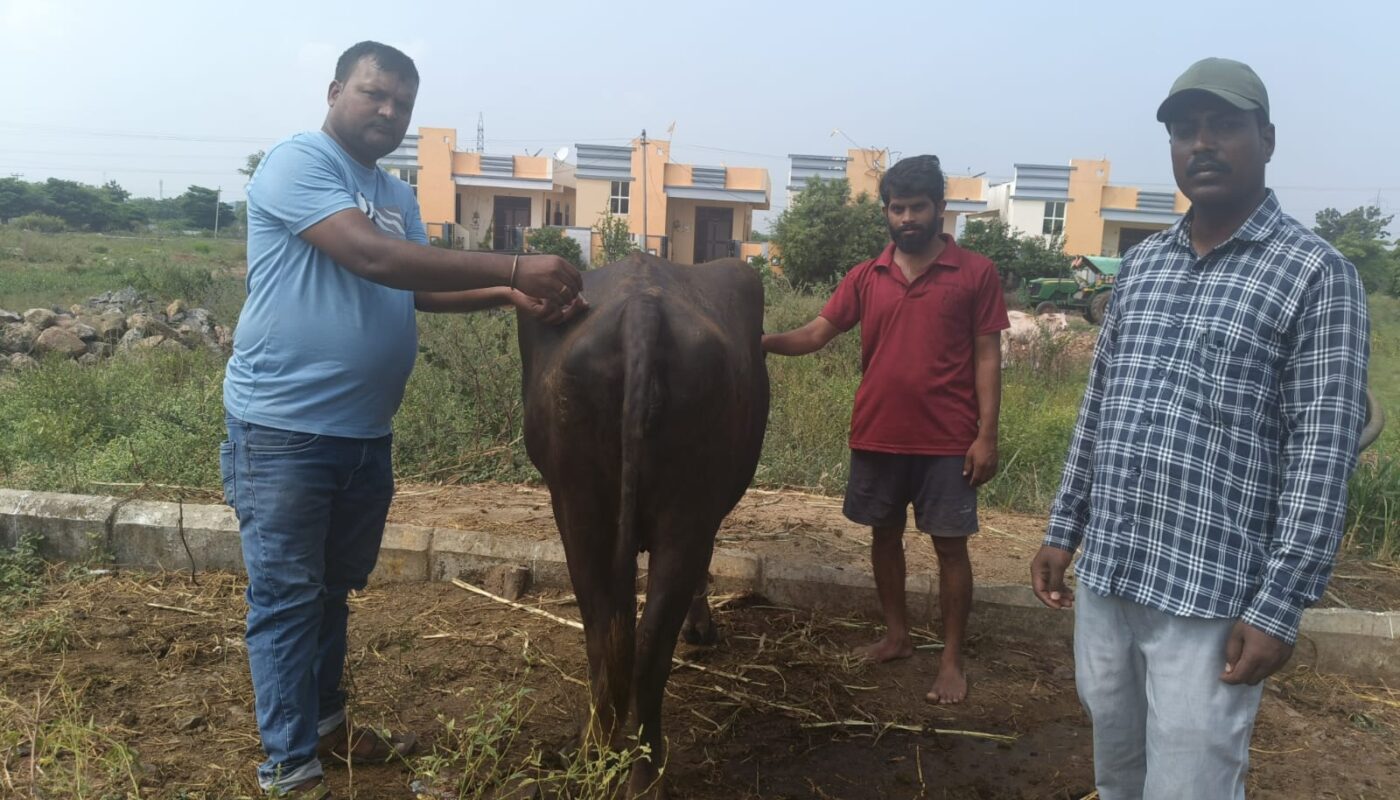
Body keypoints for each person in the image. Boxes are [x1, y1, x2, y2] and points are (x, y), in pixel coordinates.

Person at [221, 41, 584, 798]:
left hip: (363, 434)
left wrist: (502, 298)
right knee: (286, 595)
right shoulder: (296, 163)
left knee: (331, 590)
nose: (388, 112)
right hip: (284, 431)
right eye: (373, 94)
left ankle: (325, 726)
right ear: (335, 91)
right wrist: (513, 267)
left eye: (403, 104)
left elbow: (414, 286)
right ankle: (289, 767)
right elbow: (375, 260)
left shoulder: (394, 190)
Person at [1030, 58, 1369, 799]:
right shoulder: (1143, 267)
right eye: (1185, 131)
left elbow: (1322, 455)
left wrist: (1278, 606)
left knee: (1190, 789)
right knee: (1118, 777)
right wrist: (1064, 528)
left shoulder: (1315, 274)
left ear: (1268, 139)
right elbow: (1100, 408)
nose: (1202, 144)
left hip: (1212, 597)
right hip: (1113, 576)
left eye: (1224, 127)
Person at [764, 155, 1008, 704]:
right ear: (887, 213)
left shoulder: (975, 273)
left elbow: (987, 357)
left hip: (947, 441)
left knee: (951, 548)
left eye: (917, 207)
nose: (906, 218)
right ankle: (896, 637)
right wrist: (757, 343)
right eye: (896, 208)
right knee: (884, 536)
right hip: (877, 434)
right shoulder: (866, 275)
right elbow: (816, 333)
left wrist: (986, 435)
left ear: (940, 209)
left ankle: (950, 659)